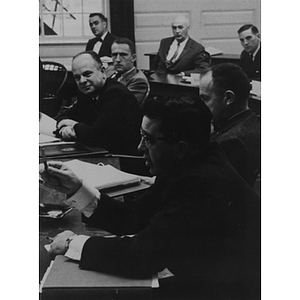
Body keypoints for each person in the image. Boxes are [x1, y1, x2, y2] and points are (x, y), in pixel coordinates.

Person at [40, 94, 260, 300]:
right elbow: (133, 216)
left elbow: (142, 256)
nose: (139, 147)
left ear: (180, 148)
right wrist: (75, 188)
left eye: (148, 139)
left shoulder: (202, 182)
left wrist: (71, 243)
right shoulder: (186, 161)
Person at [55, 51, 141, 155]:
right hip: (99, 152)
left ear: (103, 72)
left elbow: (96, 136)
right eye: (77, 77)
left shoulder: (116, 94)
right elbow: (65, 115)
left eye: (87, 74)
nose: (82, 81)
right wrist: (65, 126)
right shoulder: (88, 91)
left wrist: (73, 125)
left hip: (122, 158)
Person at [199, 62, 261, 188]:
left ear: (228, 98)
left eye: (205, 99)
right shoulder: (251, 121)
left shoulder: (230, 142)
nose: (201, 107)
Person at [106, 37, 150, 104]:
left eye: (123, 55)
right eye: (114, 55)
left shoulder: (138, 81)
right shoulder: (109, 70)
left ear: (133, 58)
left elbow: (120, 106)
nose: (118, 60)